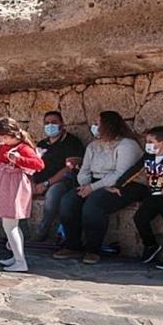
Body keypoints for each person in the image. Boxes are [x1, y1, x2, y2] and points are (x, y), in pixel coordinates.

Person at [53, 111, 146, 264]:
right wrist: (85, 185)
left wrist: (92, 188)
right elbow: (85, 170)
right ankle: (72, 245)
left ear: (108, 126)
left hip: (125, 185)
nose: (94, 127)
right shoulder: (93, 146)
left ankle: (93, 249)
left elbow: (120, 174)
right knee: (68, 200)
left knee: (95, 203)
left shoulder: (127, 145)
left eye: (98, 124)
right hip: (95, 183)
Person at [114, 126, 163, 270]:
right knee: (140, 217)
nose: (147, 145)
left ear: (162, 143)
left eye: (150, 141)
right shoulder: (148, 157)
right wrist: (119, 185)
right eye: (147, 141)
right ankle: (150, 245)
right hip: (154, 197)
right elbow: (134, 170)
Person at [0, 118, 45, 272]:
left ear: (11, 134)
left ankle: (20, 261)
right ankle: (17, 256)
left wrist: (19, 159)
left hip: (14, 188)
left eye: (1, 137)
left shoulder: (23, 148)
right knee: (11, 225)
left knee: (10, 226)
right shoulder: (5, 146)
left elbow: (39, 164)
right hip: (6, 187)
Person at [28, 111, 86, 242]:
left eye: (54, 122)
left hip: (62, 182)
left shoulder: (72, 142)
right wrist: (31, 183)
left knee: (53, 194)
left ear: (62, 124)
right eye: (47, 123)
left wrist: (46, 184)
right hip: (39, 181)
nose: (50, 126)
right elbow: (32, 165)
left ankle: (42, 230)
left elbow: (69, 168)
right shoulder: (42, 144)